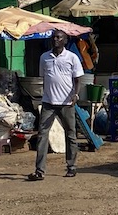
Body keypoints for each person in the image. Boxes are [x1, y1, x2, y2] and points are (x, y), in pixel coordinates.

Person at [30, 29, 84, 181]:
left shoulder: (72, 57)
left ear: (65, 41)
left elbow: (78, 78)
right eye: (54, 37)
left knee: (71, 134)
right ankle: (40, 170)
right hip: (48, 102)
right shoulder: (44, 58)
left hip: (67, 103)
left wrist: (76, 94)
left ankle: (71, 167)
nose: (55, 40)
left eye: (59, 38)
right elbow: (44, 77)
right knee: (42, 135)